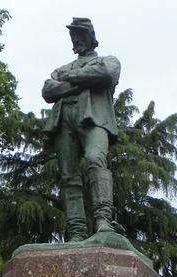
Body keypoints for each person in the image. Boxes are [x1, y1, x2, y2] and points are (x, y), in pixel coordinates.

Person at [42, 18, 121, 242]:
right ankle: (76, 231)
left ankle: (103, 220)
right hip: (63, 121)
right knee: (69, 177)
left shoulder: (109, 60)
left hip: (94, 120)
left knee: (96, 159)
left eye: (80, 34)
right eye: (73, 35)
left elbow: (105, 75)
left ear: (91, 37)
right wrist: (83, 81)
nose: (76, 39)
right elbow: (48, 91)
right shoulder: (62, 68)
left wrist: (70, 81)